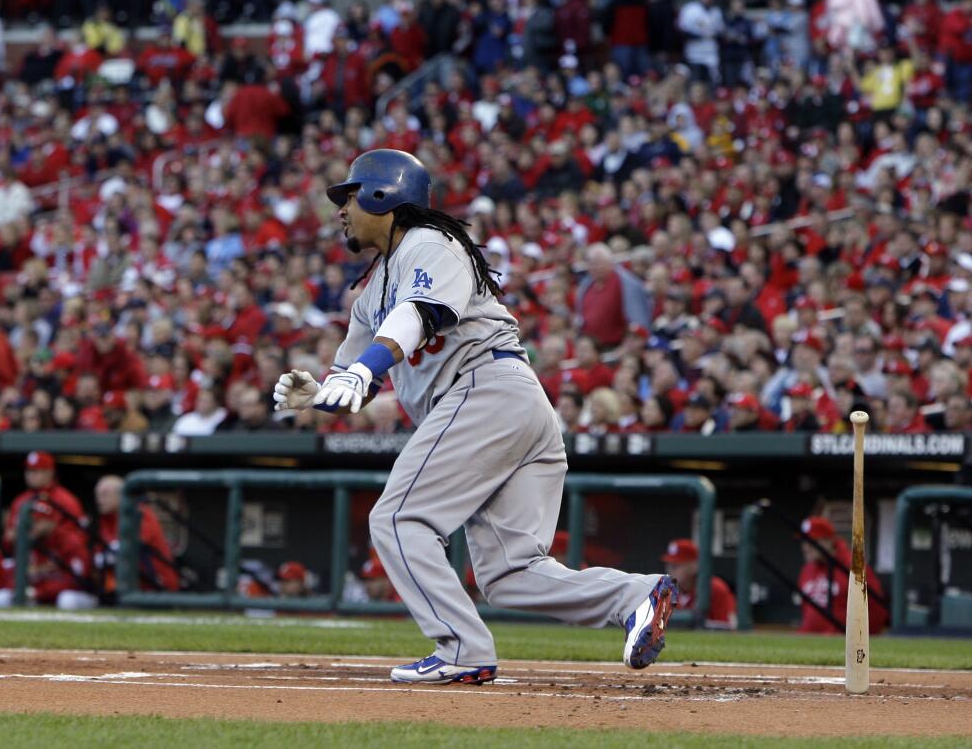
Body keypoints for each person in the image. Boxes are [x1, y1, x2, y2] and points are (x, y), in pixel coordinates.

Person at [273, 149, 676, 684]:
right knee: (511, 575)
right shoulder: (373, 293)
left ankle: (460, 648)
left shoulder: (432, 244)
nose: (340, 210)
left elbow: (418, 316)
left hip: (485, 391)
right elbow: (356, 376)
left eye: (348, 196)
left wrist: (363, 373)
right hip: (505, 407)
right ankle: (634, 595)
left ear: (382, 195)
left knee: (398, 519)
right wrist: (320, 392)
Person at [797, 516, 888, 635]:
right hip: (807, 639)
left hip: (840, 643)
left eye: (812, 541)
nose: (806, 547)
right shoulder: (807, 570)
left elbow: (876, 610)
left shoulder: (854, 566)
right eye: (804, 542)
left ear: (829, 540)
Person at [93, 475, 179, 593]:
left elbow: (131, 547)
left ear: (120, 495)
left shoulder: (140, 513)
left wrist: (107, 555)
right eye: (97, 495)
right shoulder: (106, 520)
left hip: (157, 585)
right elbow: (100, 554)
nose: (99, 500)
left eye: (105, 494)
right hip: (125, 587)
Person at [4, 451, 87, 546]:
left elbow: (79, 537)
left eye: (36, 471)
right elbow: (8, 536)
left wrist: (53, 530)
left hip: (55, 556)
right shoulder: (20, 500)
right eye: (29, 470)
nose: (31, 475)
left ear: (50, 472)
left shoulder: (66, 500)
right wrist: (31, 532)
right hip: (26, 557)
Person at [660, 538, 736, 629]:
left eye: (676, 565)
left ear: (694, 566)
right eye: (669, 565)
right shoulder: (665, 591)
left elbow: (729, 627)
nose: (670, 570)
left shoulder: (714, 588)